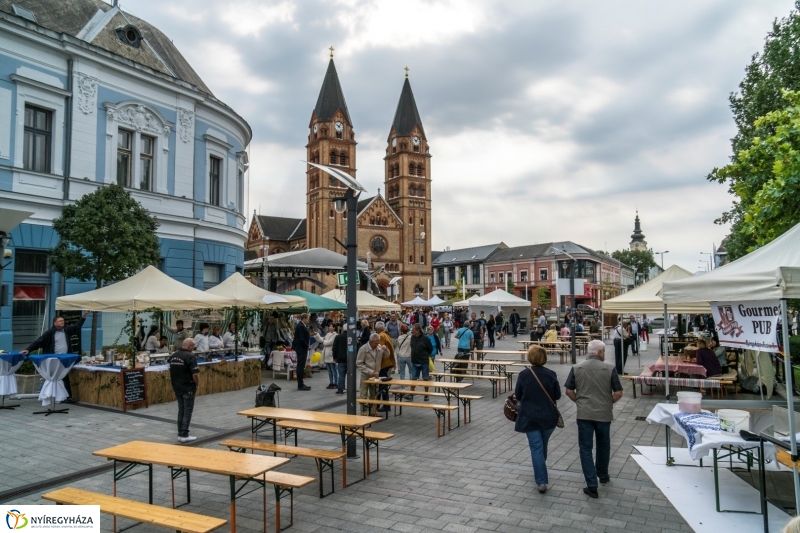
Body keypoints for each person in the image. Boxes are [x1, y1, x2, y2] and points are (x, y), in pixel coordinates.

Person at [564, 340, 624, 498]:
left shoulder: (576, 368)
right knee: (603, 445)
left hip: (584, 414)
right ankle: (603, 475)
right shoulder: (610, 369)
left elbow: (569, 391)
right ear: (600, 353)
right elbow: (618, 392)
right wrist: (607, 402)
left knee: (585, 448)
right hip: (604, 414)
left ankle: (591, 484)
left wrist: (580, 401)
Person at [515, 345, 561, 493]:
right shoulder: (551, 374)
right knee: (542, 445)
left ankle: (541, 480)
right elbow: (557, 395)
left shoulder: (523, 375)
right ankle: (540, 469)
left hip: (530, 417)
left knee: (536, 447)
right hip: (549, 417)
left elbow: (518, 395)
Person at [21, 311, 90, 404]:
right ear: (55, 323)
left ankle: (67, 397)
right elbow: (38, 342)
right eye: (60, 321)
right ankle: (52, 395)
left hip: (64, 358)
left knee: (65, 377)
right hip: (53, 359)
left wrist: (83, 317)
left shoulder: (66, 330)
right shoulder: (49, 333)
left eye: (63, 321)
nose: (63, 322)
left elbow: (76, 327)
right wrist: (28, 349)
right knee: (53, 378)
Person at [168, 338, 200, 443]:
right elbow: (195, 374)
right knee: (187, 410)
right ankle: (184, 434)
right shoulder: (190, 356)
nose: (193, 349)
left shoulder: (174, 355)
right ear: (190, 346)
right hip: (187, 387)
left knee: (181, 410)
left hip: (176, 386)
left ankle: (180, 433)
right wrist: (197, 384)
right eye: (193, 347)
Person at [356, 333, 385, 413]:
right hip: (365, 375)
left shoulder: (379, 347)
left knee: (374, 395)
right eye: (376, 343)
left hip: (375, 376)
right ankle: (363, 412)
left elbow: (386, 356)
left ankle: (373, 413)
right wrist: (370, 371)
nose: (377, 344)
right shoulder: (363, 349)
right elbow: (359, 364)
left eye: (378, 342)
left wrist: (386, 349)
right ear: (371, 342)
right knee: (363, 395)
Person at [409, 323, 433, 400]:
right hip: (415, 361)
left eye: (413, 330)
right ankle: (411, 394)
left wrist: (425, 355)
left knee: (425, 378)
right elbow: (411, 346)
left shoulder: (426, 339)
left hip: (424, 361)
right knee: (413, 378)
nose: (412, 331)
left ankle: (426, 394)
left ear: (418, 330)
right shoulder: (412, 337)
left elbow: (430, 349)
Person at [292, 313, 313, 391]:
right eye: (308, 318)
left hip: (301, 348)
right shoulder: (300, 326)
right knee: (300, 366)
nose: (308, 320)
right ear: (304, 318)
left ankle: (301, 383)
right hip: (301, 349)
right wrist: (307, 346)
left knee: (301, 365)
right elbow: (301, 339)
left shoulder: (301, 325)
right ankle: (300, 384)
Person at [332, 327, 348, 394]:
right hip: (350, 359)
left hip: (340, 358)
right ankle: (350, 389)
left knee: (341, 374)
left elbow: (334, 348)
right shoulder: (352, 337)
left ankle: (340, 389)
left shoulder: (338, 337)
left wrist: (335, 357)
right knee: (350, 375)